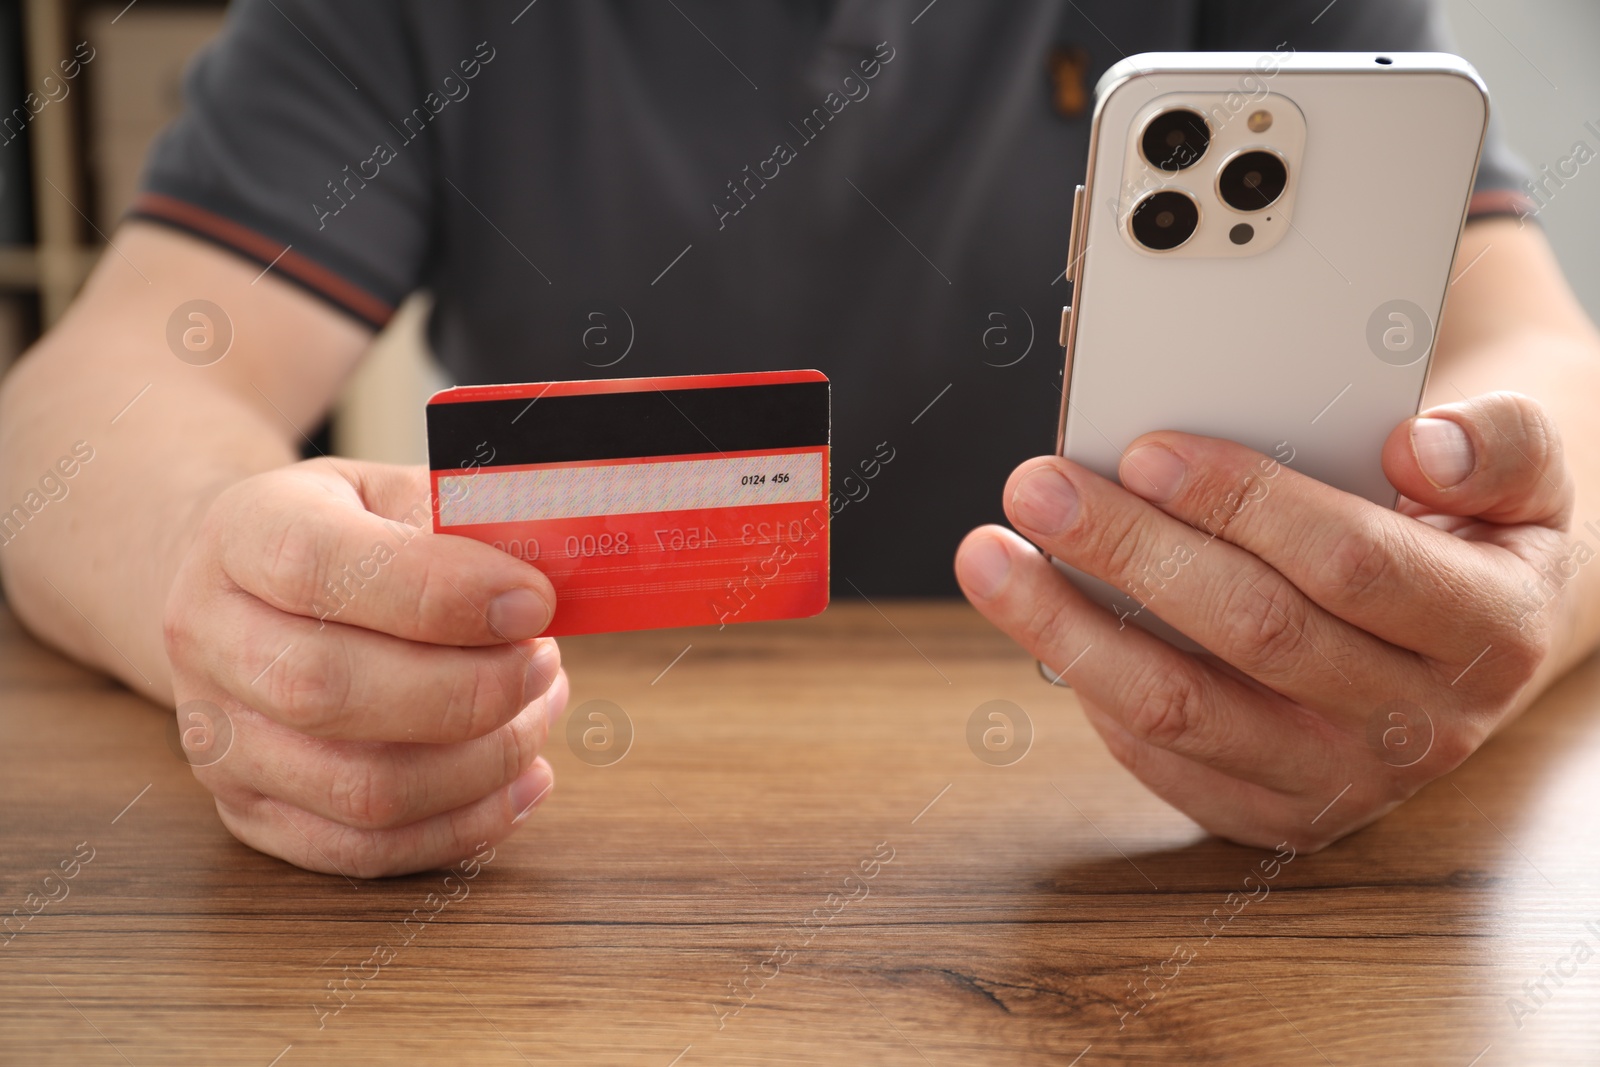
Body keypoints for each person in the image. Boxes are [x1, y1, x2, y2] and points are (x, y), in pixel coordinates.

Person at [1, 0, 1595, 876]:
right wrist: (220, 581)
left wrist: (1514, 578)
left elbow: (1544, 367)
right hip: (576, 838)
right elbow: (90, 400)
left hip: (1157, 845)